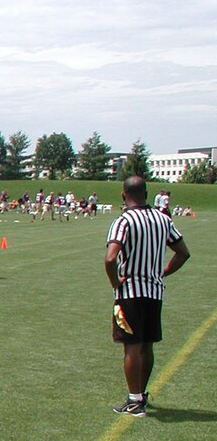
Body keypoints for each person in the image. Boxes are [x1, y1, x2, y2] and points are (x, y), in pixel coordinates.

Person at [105, 176, 190, 417]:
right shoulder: (163, 219)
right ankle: (141, 394)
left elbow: (111, 258)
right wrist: (162, 272)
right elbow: (183, 252)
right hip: (154, 292)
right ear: (147, 193)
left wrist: (115, 282)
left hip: (129, 292)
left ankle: (134, 402)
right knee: (147, 345)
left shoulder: (124, 221)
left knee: (131, 346)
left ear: (124, 195)